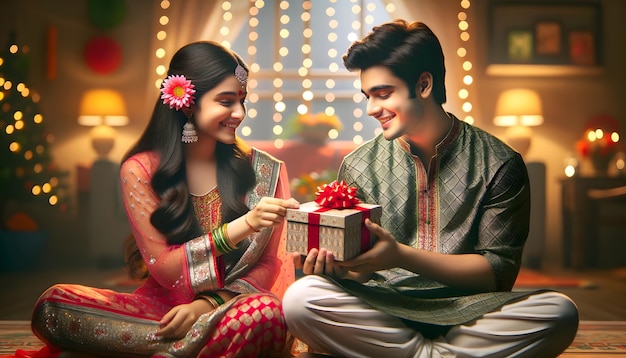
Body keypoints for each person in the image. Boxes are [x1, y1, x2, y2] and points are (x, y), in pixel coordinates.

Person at [282, 20, 579, 357]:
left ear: (423, 84)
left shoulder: (499, 162)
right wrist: (342, 270)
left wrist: (400, 256)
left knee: (559, 312)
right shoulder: (359, 164)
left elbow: (497, 274)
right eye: (367, 96)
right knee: (300, 299)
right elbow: (359, 271)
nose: (370, 109)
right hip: (383, 308)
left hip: (472, 311)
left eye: (383, 93)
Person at [26, 41, 299, 358]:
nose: (239, 113)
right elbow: (166, 269)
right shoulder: (141, 170)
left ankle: (173, 350)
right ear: (187, 103)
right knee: (54, 305)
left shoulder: (265, 171)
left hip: (233, 308)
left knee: (267, 314)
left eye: (242, 100)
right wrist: (243, 225)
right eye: (225, 102)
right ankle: (191, 348)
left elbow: (268, 265)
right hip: (161, 313)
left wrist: (207, 304)